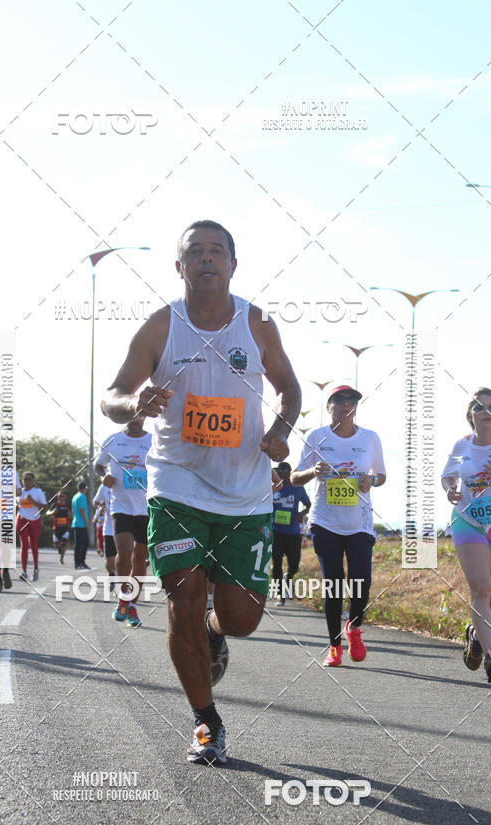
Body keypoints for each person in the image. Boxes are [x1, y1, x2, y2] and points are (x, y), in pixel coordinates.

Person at [101, 219, 301, 764]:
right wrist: (132, 407)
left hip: (246, 491)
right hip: (177, 483)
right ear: (180, 266)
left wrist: (281, 430)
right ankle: (206, 721)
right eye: (196, 251)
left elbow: (289, 386)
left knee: (242, 619)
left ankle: (217, 629)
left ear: (233, 264)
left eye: (218, 251)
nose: (207, 259)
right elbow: (114, 394)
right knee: (182, 598)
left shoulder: (256, 323)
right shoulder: (161, 327)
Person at [291, 385, 386, 667]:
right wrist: (313, 471)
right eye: (341, 401)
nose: (347, 405)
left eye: (352, 401)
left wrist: (372, 480)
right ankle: (334, 647)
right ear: (329, 406)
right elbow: (295, 477)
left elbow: (381, 475)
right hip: (325, 522)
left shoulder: (370, 438)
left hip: (359, 523)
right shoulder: (317, 437)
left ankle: (354, 629)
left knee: (362, 583)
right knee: (333, 585)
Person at [441, 388, 491, 683]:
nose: (487, 410)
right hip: (468, 521)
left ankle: (476, 637)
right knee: (480, 589)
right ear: (471, 414)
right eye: (480, 406)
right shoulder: (461, 445)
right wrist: (449, 488)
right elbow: (448, 474)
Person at [94, 415, 151, 627]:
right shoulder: (113, 440)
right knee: (124, 551)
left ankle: (131, 604)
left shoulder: (153, 441)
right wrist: (102, 477)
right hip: (121, 505)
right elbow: (98, 465)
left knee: (140, 557)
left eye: (139, 416)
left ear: (145, 417)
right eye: (131, 416)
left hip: (146, 507)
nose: (135, 420)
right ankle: (123, 595)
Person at [271, 461, 310, 607]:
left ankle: (289, 576)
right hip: (275, 530)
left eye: (281, 472)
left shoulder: (298, 488)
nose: (278, 474)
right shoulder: (274, 487)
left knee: (294, 564)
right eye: (277, 471)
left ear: (288, 472)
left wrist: (301, 514)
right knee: (277, 563)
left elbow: (308, 504)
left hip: (293, 531)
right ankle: (280, 595)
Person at [16, 472, 47, 582]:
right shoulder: (19, 492)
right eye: (25, 479)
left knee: (33, 545)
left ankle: (35, 568)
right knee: (24, 545)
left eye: (29, 480)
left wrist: (33, 501)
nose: (27, 482)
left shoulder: (37, 492)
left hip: (35, 521)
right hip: (22, 520)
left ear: (33, 481)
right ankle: (24, 571)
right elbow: (15, 504)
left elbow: (45, 507)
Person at [93, 481, 117, 580]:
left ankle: (121, 582)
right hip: (108, 529)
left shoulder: (127, 482)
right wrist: (100, 507)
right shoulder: (104, 486)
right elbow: (95, 502)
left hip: (123, 527)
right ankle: (111, 574)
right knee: (110, 560)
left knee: (124, 557)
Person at [46, 490, 71, 564]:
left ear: (65, 497)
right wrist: (52, 512)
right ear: (57, 497)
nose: (61, 498)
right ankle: (59, 548)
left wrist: (69, 515)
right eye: (59, 496)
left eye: (62, 496)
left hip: (65, 527)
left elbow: (71, 516)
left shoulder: (67, 506)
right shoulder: (55, 505)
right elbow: (47, 513)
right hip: (56, 527)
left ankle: (62, 558)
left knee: (64, 543)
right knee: (56, 544)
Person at [72, 481, 89, 570]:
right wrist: (87, 523)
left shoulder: (74, 497)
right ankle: (81, 562)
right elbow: (82, 510)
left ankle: (76, 562)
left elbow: (73, 511)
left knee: (77, 544)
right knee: (85, 543)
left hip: (75, 522)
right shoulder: (82, 497)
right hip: (81, 523)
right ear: (84, 488)